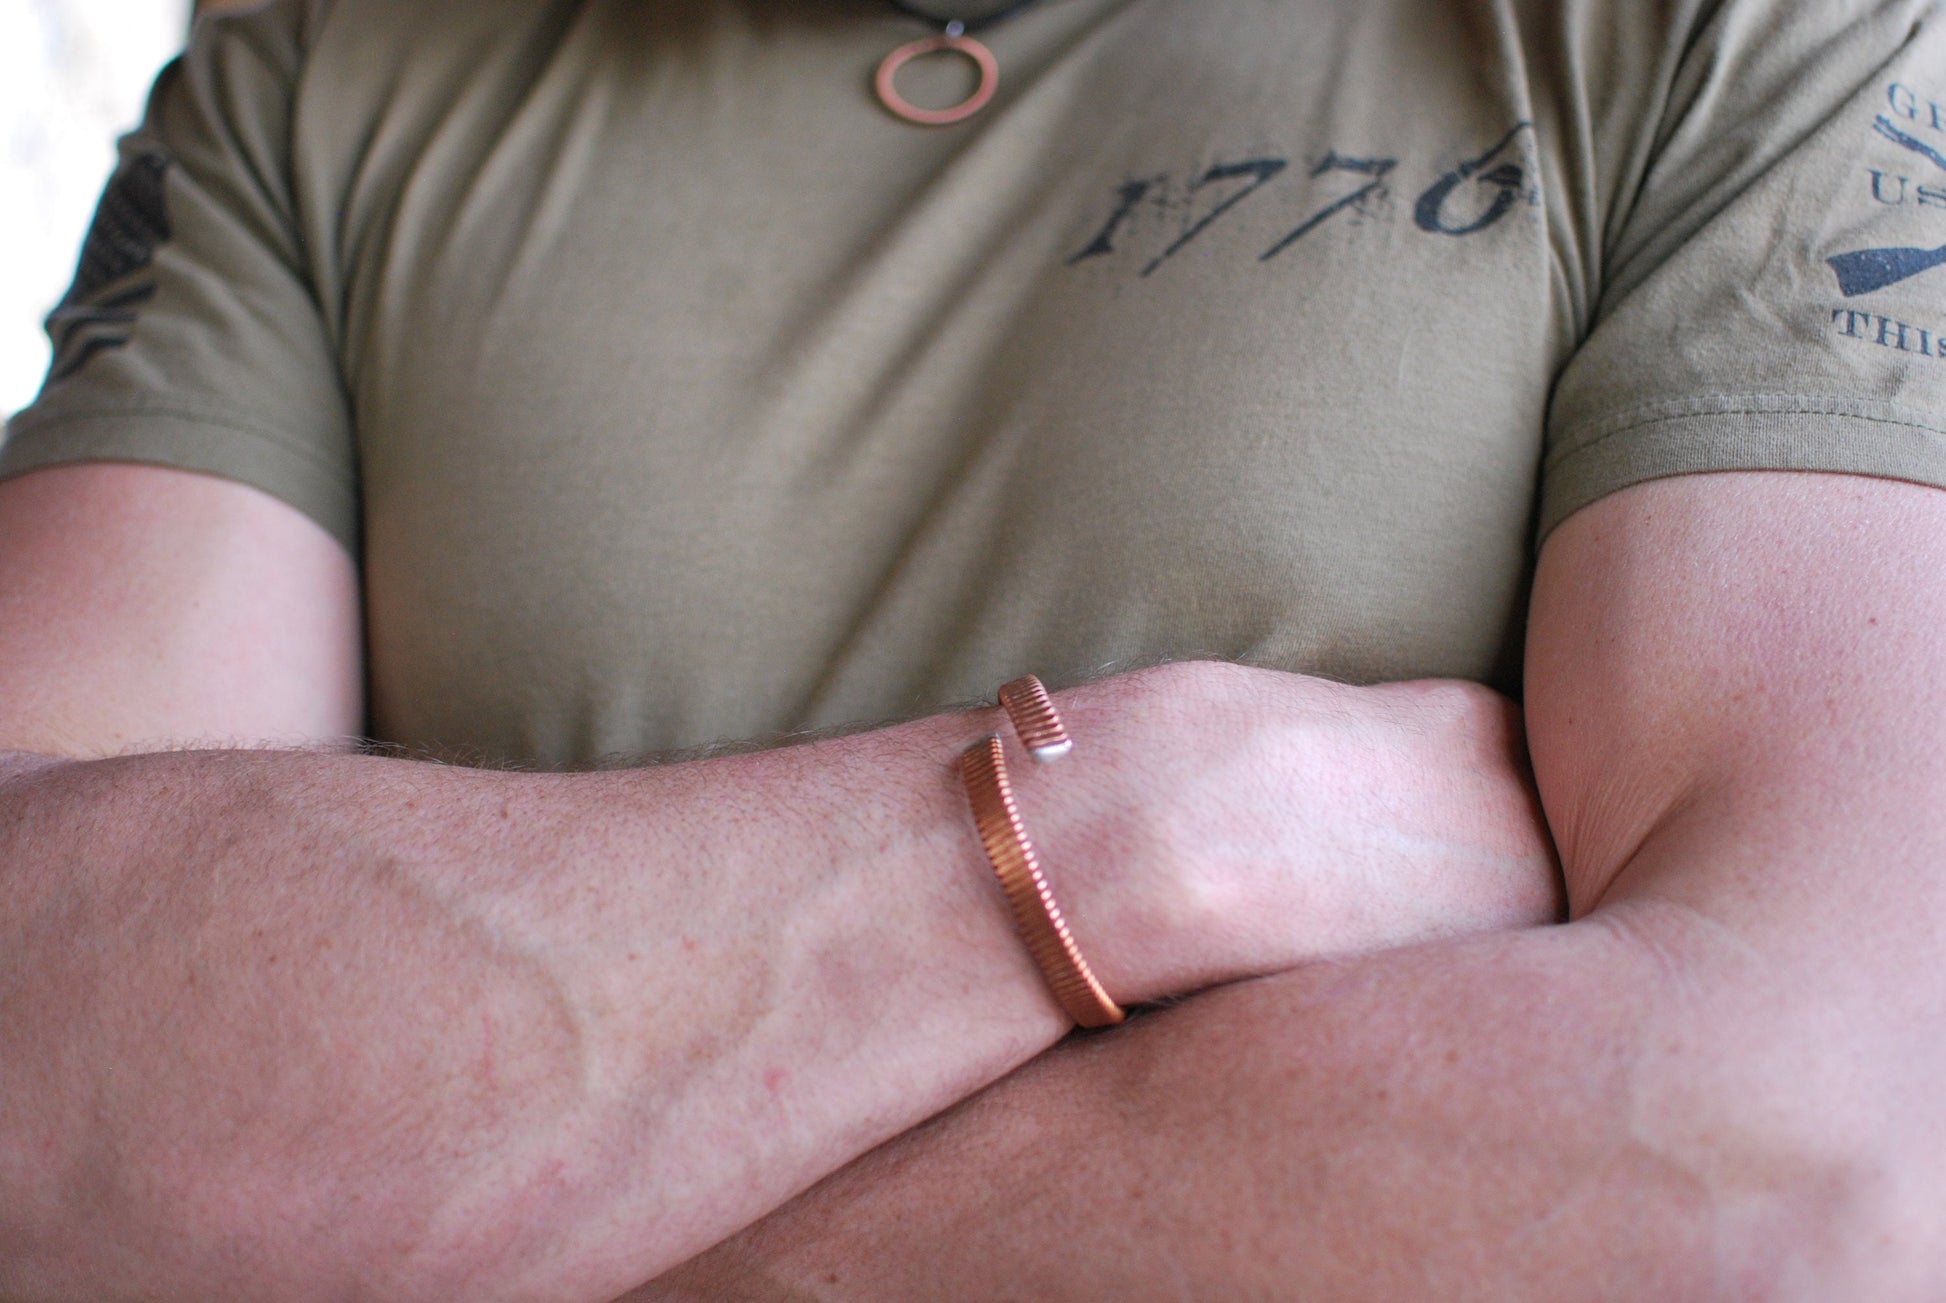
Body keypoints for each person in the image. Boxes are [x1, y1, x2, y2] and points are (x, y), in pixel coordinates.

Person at [3, 0, 1945, 1296]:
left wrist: (422, 1197)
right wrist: (1122, 836)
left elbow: (1796, 1180)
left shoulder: (1756, 34)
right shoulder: (314, 61)